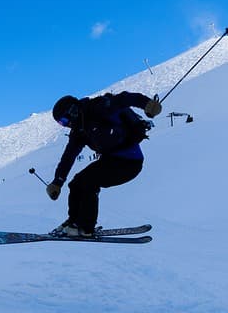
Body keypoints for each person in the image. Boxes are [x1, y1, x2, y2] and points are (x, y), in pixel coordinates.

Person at [46, 91, 162, 237]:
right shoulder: (79, 131)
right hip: (110, 160)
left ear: (72, 112)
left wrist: (147, 104)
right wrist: (58, 181)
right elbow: (68, 156)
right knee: (76, 183)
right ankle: (74, 221)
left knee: (89, 182)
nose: (64, 125)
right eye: (61, 123)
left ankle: (85, 228)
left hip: (130, 163)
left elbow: (125, 98)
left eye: (63, 121)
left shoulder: (98, 108)